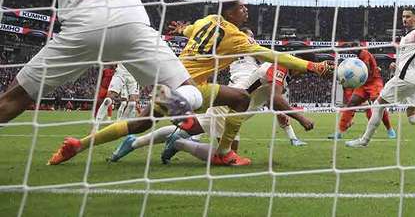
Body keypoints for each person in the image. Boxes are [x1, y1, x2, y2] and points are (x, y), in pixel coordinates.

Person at [0, 0, 209, 163]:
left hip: (83, 26)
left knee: (16, 97)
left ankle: (165, 99)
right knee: (191, 92)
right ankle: (171, 101)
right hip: (131, 22)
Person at [50, 0, 332, 166]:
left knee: (140, 122)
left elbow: (189, 32)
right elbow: (273, 56)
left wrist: (183, 28)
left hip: (168, 79)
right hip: (189, 87)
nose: (246, 11)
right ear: (231, 12)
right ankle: (222, 152)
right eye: (243, 8)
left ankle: (80, 144)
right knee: (241, 98)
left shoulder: (206, 21)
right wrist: (313, 66)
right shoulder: (234, 35)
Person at [109, 54, 313, 164]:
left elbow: (268, 96)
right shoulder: (277, 67)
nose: (304, 73)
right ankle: (179, 143)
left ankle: (134, 142)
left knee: (194, 127)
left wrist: (284, 117)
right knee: (225, 158)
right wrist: (300, 118)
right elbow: (274, 96)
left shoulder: (276, 73)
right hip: (228, 108)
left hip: (232, 109)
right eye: (304, 68)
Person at [346, 7, 415, 148]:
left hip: (405, 79)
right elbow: (410, 59)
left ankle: (364, 141)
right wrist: (396, 65)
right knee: (413, 117)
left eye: (408, 16)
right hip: (413, 81)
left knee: (377, 105)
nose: (405, 19)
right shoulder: (405, 38)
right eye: (403, 16)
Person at [330, 44, 395, 139]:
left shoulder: (364, 54)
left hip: (374, 82)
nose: (351, 50)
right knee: (351, 104)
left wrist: (351, 75)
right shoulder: (359, 56)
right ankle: (339, 132)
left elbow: (366, 70)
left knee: (378, 104)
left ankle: (390, 129)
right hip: (363, 83)